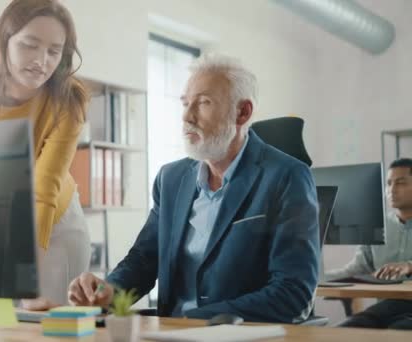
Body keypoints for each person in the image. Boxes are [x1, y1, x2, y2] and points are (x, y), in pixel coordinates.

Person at [68, 52, 320, 323]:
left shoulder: (287, 177)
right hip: (171, 334)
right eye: (185, 103)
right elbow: (143, 260)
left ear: (242, 112)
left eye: (203, 103)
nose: (187, 116)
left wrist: (196, 321)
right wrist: (107, 291)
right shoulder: (171, 178)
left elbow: (293, 292)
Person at [0, 0, 90, 309]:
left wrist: (23, 270)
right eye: (29, 45)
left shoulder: (67, 100)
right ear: (4, 40)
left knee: (43, 329)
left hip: (54, 226)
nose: (42, 61)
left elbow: (45, 186)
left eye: (54, 50)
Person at [326, 158, 412, 330]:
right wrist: (318, 277)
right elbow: (357, 269)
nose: (392, 190)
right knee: (345, 329)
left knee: (396, 333)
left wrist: (409, 266)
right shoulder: (379, 226)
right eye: (389, 183)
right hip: (388, 306)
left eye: (401, 183)